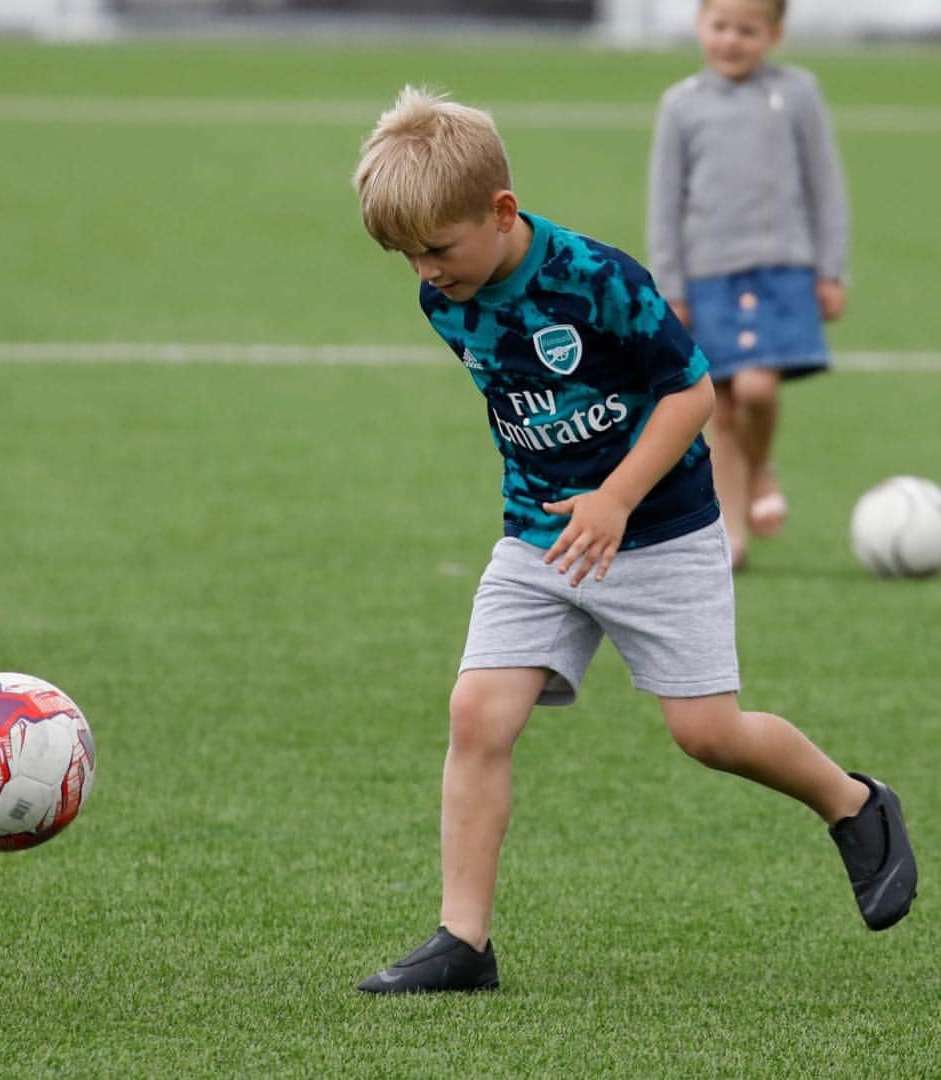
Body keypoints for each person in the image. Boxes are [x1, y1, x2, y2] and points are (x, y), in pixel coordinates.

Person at [351, 86, 914, 994]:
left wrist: (613, 497)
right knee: (476, 715)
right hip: (541, 536)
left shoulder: (596, 278)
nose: (424, 271)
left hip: (660, 530)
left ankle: (855, 803)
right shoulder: (444, 297)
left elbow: (691, 394)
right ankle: (464, 941)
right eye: (407, 255)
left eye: (438, 249)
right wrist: (568, 499)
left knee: (708, 734)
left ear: (501, 212)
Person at [647, 0, 849, 569]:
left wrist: (830, 270)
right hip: (707, 277)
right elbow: (665, 205)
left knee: (758, 390)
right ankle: (729, 533)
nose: (731, 41)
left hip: (783, 271)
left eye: (747, 30)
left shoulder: (799, 94)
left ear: (774, 34)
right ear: (700, 25)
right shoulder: (681, 105)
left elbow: (825, 186)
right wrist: (673, 287)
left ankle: (760, 468)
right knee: (721, 408)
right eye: (720, 27)